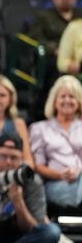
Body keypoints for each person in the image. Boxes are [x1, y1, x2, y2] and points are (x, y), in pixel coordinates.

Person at [29, 75, 82, 208]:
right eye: (63, 96)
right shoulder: (39, 129)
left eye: (72, 96)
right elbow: (38, 166)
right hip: (55, 184)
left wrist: (78, 171)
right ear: (54, 100)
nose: (67, 100)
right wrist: (61, 175)